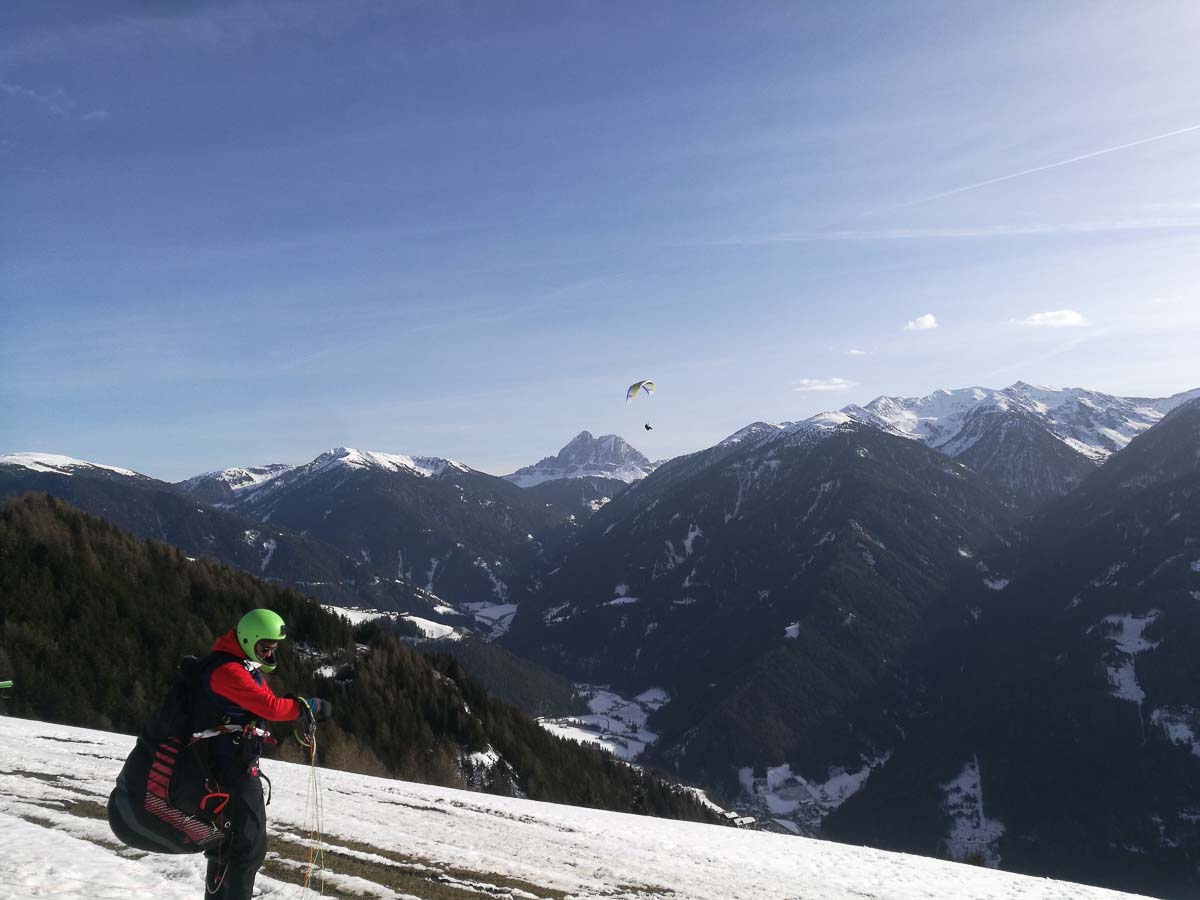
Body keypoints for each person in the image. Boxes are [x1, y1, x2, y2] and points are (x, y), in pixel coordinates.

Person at [107, 609, 332, 900]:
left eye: (273, 649)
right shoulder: (227, 672)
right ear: (249, 640)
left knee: (232, 846)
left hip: (230, 764)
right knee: (248, 849)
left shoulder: (240, 666)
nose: (269, 654)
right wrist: (309, 707)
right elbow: (271, 708)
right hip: (232, 770)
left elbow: (259, 703)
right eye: (265, 647)